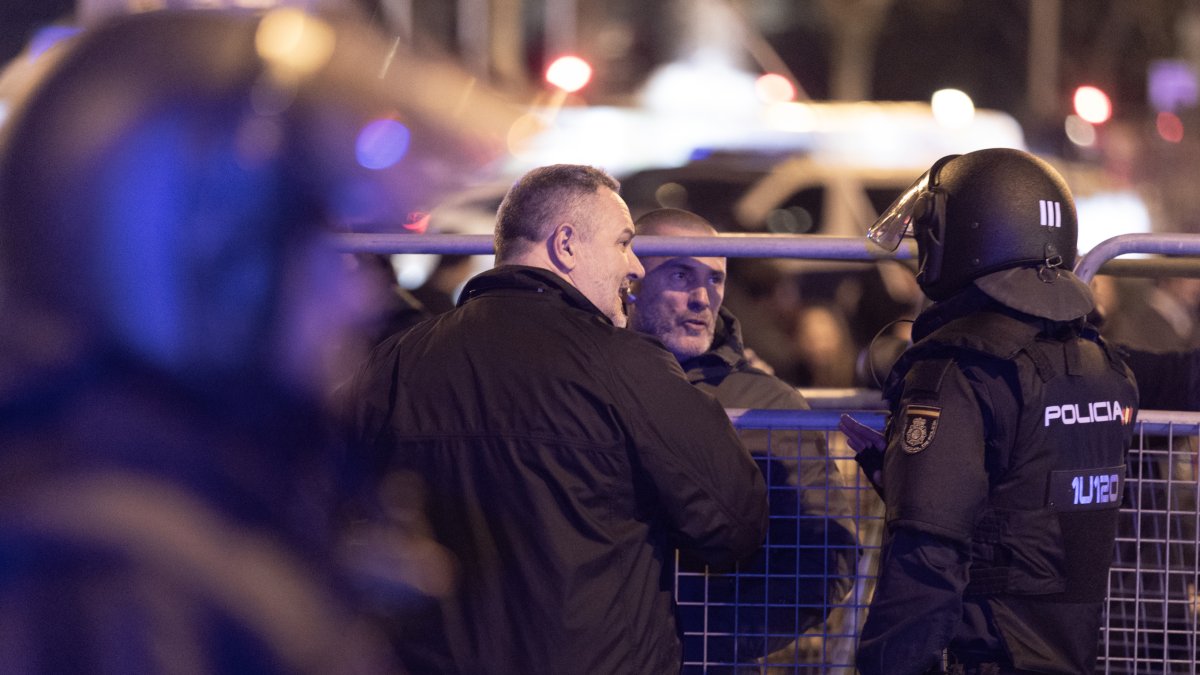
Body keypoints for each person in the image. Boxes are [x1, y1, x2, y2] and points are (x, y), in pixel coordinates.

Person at [0, 6, 518, 673]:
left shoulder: (194, 504)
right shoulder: (106, 574)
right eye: (319, 246)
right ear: (209, 258)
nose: (359, 293)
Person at [344, 164, 769, 674]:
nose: (634, 267)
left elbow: (340, 512)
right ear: (566, 244)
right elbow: (733, 521)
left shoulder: (398, 361)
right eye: (622, 244)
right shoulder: (625, 365)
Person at [840, 148, 1139, 675]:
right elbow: (1026, 518)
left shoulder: (959, 371)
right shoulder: (1100, 364)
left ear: (970, 237)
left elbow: (926, 565)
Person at [626, 207, 857, 666]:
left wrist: (720, 639)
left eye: (715, 278)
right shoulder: (587, 381)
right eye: (680, 274)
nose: (703, 298)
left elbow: (827, 556)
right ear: (631, 278)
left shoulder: (770, 403)